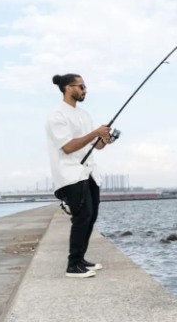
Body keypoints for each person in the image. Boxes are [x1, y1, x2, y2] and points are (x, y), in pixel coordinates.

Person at [45, 73, 115, 278]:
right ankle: (72, 265)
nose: (85, 90)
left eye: (85, 86)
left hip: (90, 173)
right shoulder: (56, 116)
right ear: (68, 88)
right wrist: (94, 134)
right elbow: (67, 147)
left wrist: (104, 139)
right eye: (81, 86)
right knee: (81, 216)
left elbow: (97, 147)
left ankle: (81, 259)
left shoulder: (84, 115)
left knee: (91, 216)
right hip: (70, 174)